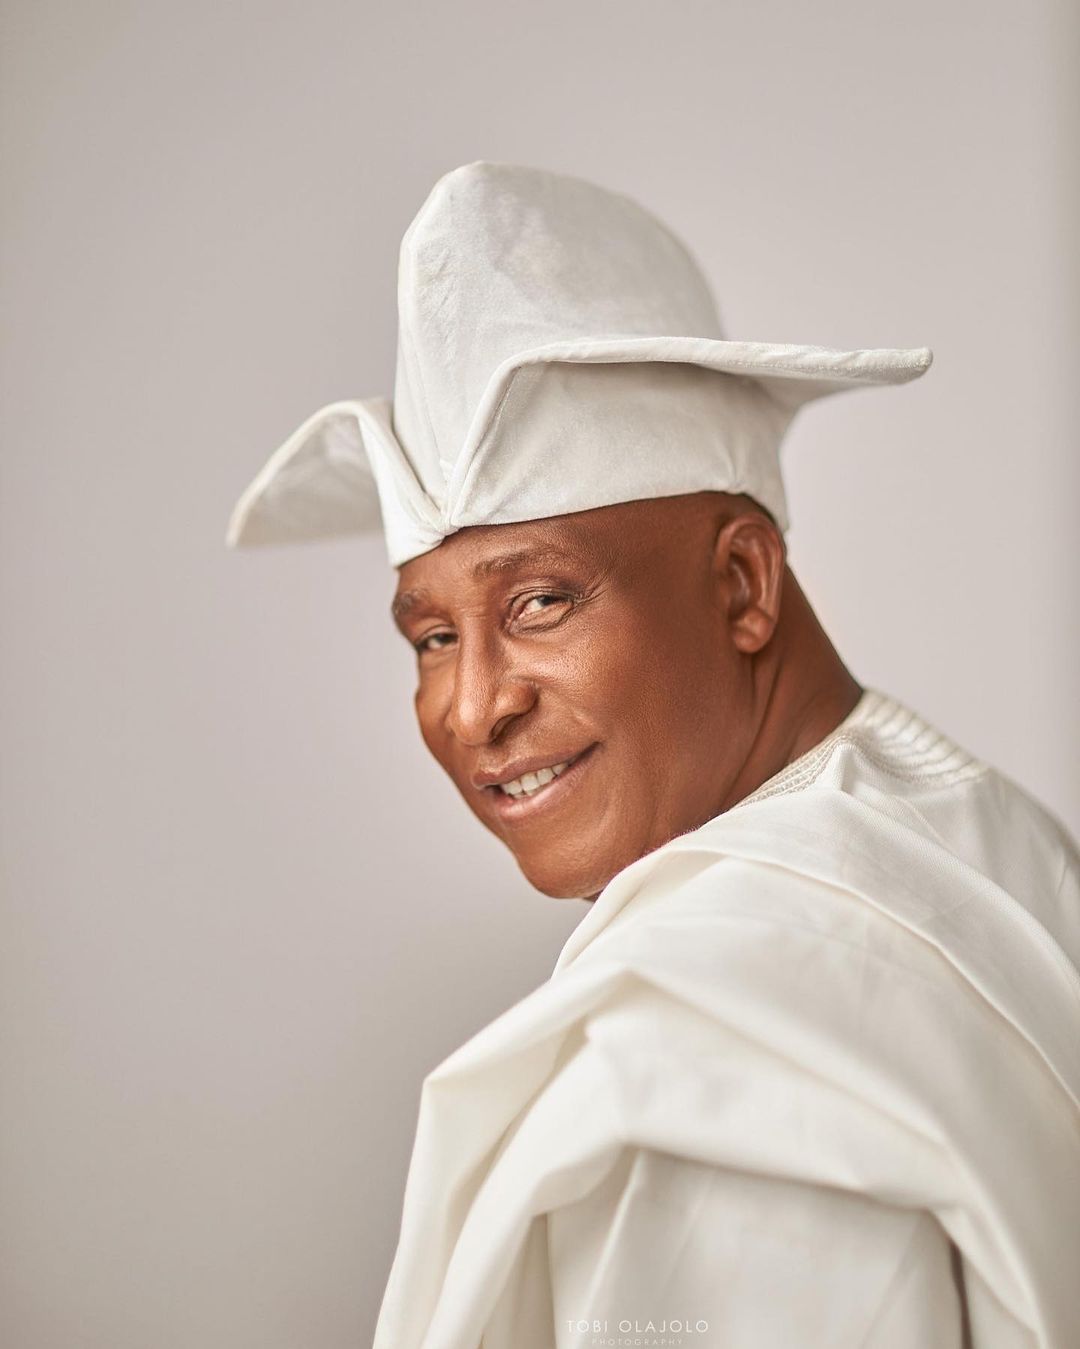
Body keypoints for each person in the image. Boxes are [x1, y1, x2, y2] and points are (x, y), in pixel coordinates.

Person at [225, 161, 1080, 1348]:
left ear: (742, 583)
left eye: (539, 601)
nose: (472, 709)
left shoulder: (712, 1062)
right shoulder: (988, 840)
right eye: (432, 636)